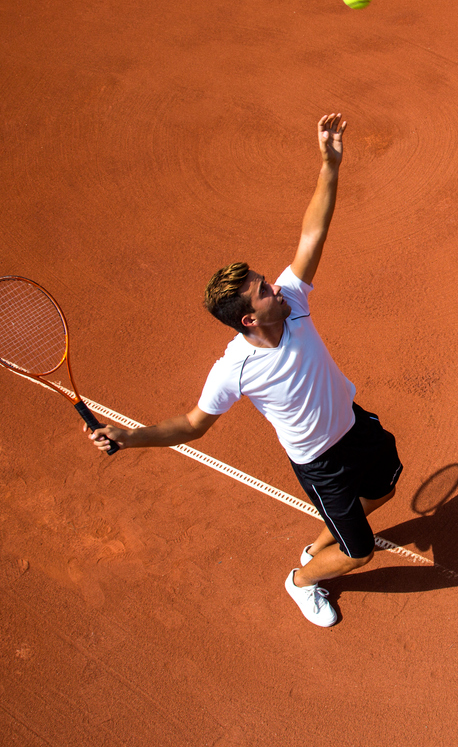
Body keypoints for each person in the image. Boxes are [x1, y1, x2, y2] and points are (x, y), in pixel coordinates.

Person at [85, 113, 402, 627]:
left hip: (351, 425)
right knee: (360, 553)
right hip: (320, 462)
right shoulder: (234, 371)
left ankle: (324, 540)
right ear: (250, 317)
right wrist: (127, 436)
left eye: (264, 279)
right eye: (263, 288)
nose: (275, 284)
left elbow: (313, 231)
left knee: (384, 488)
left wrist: (330, 164)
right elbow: (190, 426)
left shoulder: (293, 302)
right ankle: (301, 581)